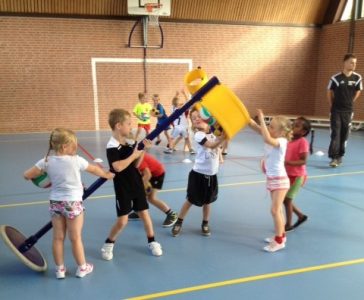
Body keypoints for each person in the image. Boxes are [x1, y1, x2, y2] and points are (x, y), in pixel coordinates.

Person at [23, 128, 114, 279]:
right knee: (75, 238)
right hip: (73, 203)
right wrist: (107, 175)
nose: (76, 147)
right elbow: (94, 170)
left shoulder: (45, 161)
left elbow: (26, 175)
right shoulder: (77, 160)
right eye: (73, 145)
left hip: (56, 203)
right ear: (65, 146)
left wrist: (41, 176)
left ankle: (59, 270)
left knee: (58, 238)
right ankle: (82, 268)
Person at [101, 108, 163, 261]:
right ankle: (108, 244)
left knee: (144, 213)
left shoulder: (130, 142)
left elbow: (136, 165)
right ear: (118, 126)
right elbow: (118, 167)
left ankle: (152, 241)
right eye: (128, 124)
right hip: (122, 186)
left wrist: (142, 152)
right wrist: (134, 154)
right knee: (123, 220)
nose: (131, 127)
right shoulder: (112, 146)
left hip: (136, 182)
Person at [171, 107, 227, 237]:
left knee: (208, 201)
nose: (196, 119)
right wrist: (224, 137)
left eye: (198, 116)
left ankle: (205, 223)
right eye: (193, 118)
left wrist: (220, 156)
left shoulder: (214, 132)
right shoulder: (198, 135)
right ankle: (179, 221)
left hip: (212, 174)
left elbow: (217, 147)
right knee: (190, 200)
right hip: (198, 174)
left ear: (206, 117)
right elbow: (212, 145)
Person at [250, 110, 291, 252]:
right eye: (269, 125)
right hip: (273, 179)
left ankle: (279, 241)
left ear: (281, 132)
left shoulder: (281, 141)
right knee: (278, 210)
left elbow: (267, 138)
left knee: (274, 211)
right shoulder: (273, 136)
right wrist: (247, 119)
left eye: (272, 127)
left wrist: (262, 118)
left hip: (280, 181)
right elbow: (257, 128)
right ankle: (281, 236)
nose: (269, 128)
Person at [327, 53, 362, 167]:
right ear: (345, 62)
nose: (354, 64)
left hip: (348, 111)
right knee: (336, 133)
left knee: (344, 134)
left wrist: (351, 101)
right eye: (352, 62)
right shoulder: (335, 78)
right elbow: (329, 91)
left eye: (355, 63)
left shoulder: (357, 78)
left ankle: (340, 156)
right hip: (336, 110)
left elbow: (358, 90)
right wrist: (332, 105)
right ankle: (333, 157)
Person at [128, 152, 178, 227]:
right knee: (140, 194)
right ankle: (139, 211)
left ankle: (172, 214)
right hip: (150, 172)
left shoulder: (138, 159)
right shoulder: (133, 154)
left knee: (151, 198)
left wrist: (139, 186)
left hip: (157, 174)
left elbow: (148, 175)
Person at [284, 117, 311, 232]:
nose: (293, 127)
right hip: (287, 174)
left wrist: (287, 162)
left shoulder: (302, 142)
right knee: (284, 199)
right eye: (293, 124)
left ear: (303, 132)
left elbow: (303, 161)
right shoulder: (288, 139)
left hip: (297, 176)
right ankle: (300, 216)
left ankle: (288, 224)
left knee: (287, 200)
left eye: (296, 126)